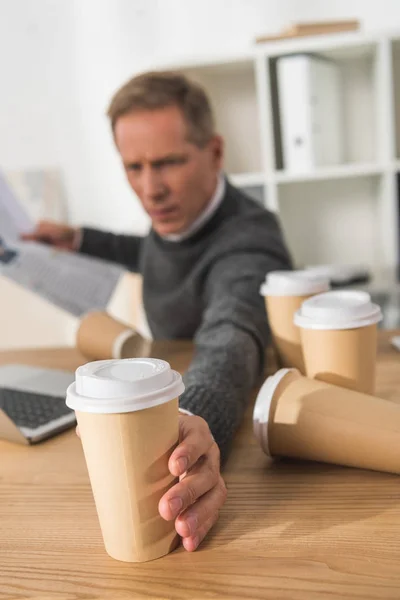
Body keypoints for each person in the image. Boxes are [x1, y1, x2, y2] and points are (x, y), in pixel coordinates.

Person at [24, 71, 292, 551]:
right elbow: (151, 250)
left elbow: (233, 330)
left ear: (214, 152)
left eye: (167, 163)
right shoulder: (176, 218)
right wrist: (79, 240)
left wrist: (185, 420)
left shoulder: (250, 237)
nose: (151, 190)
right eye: (134, 167)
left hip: (213, 409)